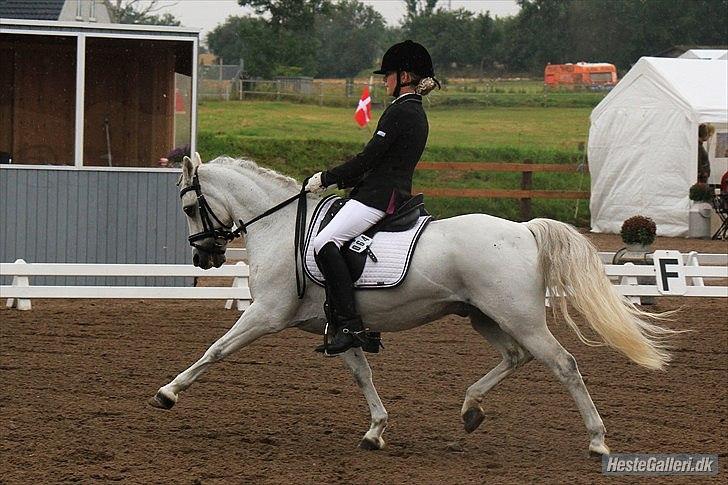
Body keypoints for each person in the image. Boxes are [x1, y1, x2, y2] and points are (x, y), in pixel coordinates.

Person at [304, 40, 440, 356]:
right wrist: (344, 181)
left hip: (379, 197)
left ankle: (350, 323)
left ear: (405, 76)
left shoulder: (402, 112)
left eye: (388, 74)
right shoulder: (414, 111)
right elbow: (379, 162)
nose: (383, 80)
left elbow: (369, 158)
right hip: (384, 190)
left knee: (323, 243)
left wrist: (327, 177)